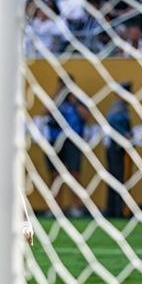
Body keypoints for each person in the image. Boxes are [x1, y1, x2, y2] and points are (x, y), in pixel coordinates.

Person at [44, 77, 90, 217]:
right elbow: (45, 111)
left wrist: (74, 101)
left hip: (73, 141)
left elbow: (87, 116)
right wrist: (57, 95)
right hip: (55, 140)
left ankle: (75, 206)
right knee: (55, 175)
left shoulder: (78, 100)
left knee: (74, 174)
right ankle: (55, 207)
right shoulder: (56, 100)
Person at [104, 81, 132, 218]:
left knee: (119, 178)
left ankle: (117, 209)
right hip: (115, 148)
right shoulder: (117, 107)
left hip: (120, 148)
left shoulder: (123, 107)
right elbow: (112, 122)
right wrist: (124, 133)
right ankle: (114, 210)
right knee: (116, 177)